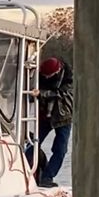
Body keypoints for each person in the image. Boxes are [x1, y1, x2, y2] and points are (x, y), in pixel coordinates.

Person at [34, 57, 73, 188]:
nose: (44, 77)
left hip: (64, 117)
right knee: (33, 144)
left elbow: (62, 94)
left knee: (60, 150)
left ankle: (47, 177)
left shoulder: (69, 77)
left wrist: (41, 94)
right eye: (43, 75)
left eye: (47, 75)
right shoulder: (39, 76)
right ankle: (26, 171)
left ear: (56, 72)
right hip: (45, 116)